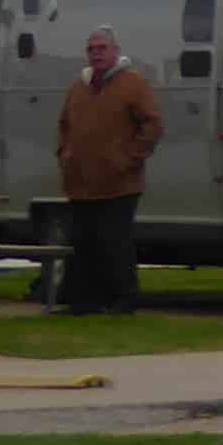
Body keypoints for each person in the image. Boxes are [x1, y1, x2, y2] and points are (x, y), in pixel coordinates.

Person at [54, 28, 162, 315]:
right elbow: (64, 124)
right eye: (92, 48)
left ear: (115, 51)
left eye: (102, 47)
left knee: (115, 243)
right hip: (80, 182)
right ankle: (82, 301)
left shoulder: (133, 83)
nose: (97, 53)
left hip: (120, 183)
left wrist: (128, 158)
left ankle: (123, 301)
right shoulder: (80, 85)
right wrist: (65, 155)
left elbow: (152, 125)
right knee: (81, 243)